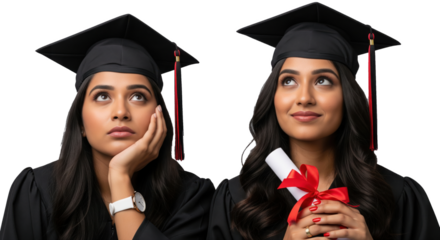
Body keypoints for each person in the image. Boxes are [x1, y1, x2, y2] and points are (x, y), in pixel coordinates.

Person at [206, 1, 440, 240]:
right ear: (273, 97)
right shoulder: (237, 199)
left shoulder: (399, 196)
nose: (304, 97)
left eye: (323, 81)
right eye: (289, 81)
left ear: (347, 97)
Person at [0, 12, 214, 240]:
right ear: (80, 120)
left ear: (159, 115)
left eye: (138, 97)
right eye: (102, 96)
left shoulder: (191, 196)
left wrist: (120, 177)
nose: (121, 112)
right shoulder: (37, 191)